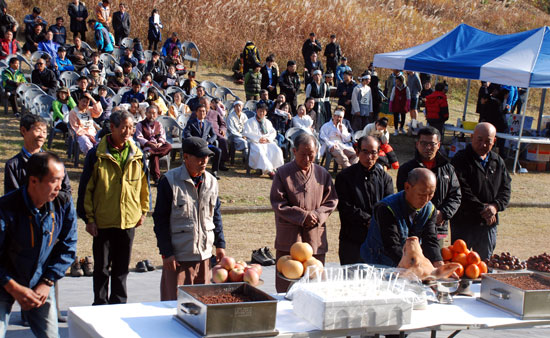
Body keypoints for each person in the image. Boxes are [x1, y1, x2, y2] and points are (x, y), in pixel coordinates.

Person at [0, 152, 77, 337]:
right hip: (4, 282)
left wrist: (47, 281)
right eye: (54, 180)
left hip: (40, 281)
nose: (59, 187)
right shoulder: (5, 207)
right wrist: (13, 287)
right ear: (33, 181)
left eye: (62, 179)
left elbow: (68, 246)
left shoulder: (63, 204)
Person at [77, 111, 149, 305]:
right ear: (112, 127)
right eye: (124, 127)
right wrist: (89, 219)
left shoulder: (137, 153)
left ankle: (119, 304)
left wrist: (143, 210)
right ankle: (100, 304)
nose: (128, 132)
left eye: (131, 128)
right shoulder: (96, 154)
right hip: (103, 221)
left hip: (128, 220)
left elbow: (144, 186)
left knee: (122, 267)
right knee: (101, 268)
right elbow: (86, 189)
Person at [153, 137, 226, 299]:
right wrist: (166, 253)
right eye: (199, 157)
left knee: (202, 305)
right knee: (174, 305)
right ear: (186, 157)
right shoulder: (169, 181)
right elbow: (160, 221)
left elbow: (216, 215)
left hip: (204, 256)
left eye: (206, 157)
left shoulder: (212, 182)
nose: (204, 161)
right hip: (179, 257)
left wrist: (220, 244)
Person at [270, 132, 337, 292]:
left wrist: (318, 215)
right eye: (303, 155)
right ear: (294, 151)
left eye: (311, 155)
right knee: (287, 284)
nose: (307, 159)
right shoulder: (282, 173)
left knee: (315, 283)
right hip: (290, 235)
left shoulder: (322, 174)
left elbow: (331, 201)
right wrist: (303, 216)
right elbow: (278, 203)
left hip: (314, 235)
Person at [450, 123, 511, 260]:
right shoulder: (460, 159)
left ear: (494, 141)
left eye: (488, 141)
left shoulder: (497, 161)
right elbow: (461, 190)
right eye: (479, 139)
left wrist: (495, 206)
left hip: (488, 224)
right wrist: (483, 209)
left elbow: (506, 189)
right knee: (460, 262)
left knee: (484, 265)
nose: (483, 144)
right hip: (464, 222)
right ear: (472, 137)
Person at [360, 168, 443, 267]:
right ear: (407, 187)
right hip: (378, 262)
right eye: (421, 194)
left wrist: (438, 261)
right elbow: (391, 245)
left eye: (431, 194)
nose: (426, 199)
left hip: (409, 262)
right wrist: (414, 265)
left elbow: (430, 239)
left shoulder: (430, 209)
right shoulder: (386, 208)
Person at [396, 127, 462, 247]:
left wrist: (443, 213)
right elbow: (403, 197)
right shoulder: (407, 169)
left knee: (436, 260)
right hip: (413, 229)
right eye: (423, 143)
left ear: (439, 145)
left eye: (432, 144)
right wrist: (423, 214)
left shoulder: (448, 168)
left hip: (439, 227)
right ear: (417, 144)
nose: (428, 148)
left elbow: (455, 195)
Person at [335, 136, 393, 265]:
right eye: (365, 151)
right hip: (352, 239)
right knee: (351, 281)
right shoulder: (344, 177)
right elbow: (344, 206)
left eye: (373, 152)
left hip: (378, 240)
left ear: (378, 153)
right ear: (357, 152)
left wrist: (376, 220)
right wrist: (367, 219)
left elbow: (389, 206)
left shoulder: (385, 178)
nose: (369, 157)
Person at [4, 114, 72, 194]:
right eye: (38, 130)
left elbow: (66, 192)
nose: (41, 135)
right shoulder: (13, 165)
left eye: (44, 132)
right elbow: (12, 198)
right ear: (23, 131)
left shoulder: (54, 162)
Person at [243, 103, 284, 178]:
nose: (261, 113)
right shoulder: (249, 121)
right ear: (256, 111)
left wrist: (267, 139)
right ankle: (269, 171)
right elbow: (246, 133)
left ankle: (276, 169)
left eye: (263, 111)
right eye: (260, 111)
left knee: (276, 149)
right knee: (260, 152)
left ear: (266, 112)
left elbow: (273, 132)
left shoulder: (267, 122)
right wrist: (258, 138)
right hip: (255, 142)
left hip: (266, 142)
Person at [184, 104, 223, 179]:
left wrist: (209, 141)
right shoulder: (191, 123)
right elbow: (187, 134)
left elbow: (214, 135)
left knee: (218, 151)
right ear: (196, 112)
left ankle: (214, 172)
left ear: (205, 113)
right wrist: (195, 141)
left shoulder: (208, 123)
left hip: (206, 145)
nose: (202, 113)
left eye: (204, 111)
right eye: (200, 111)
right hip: (195, 146)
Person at [135, 105, 172, 184]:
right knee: (155, 157)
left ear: (157, 114)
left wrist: (160, 143)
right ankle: (156, 178)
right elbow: (139, 137)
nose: (152, 115)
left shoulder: (159, 124)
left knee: (169, 146)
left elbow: (163, 135)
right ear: (145, 113)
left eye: (154, 113)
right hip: (147, 147)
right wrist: (150, 144)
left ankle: (151, 154)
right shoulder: (140, 124)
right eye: (149, 113)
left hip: (157, 148)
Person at [204, 97, 229, 171]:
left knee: (222, 141)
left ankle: (221, 163)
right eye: (202, 104)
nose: (204, 105)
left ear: (210, 104)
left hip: (216, 133)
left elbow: (223, 124)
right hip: (203, 134)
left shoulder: (215, 113)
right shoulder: (198, 112)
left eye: (205, 104)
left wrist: (222, 129)